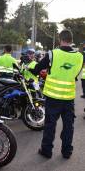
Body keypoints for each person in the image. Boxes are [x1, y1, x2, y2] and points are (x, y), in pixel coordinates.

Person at [29, 29, 83, 159]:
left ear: (60, 40)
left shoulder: (53, 54)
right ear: (71, 41)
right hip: (69, 98)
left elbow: (37, 69)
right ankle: (67, 151)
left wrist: (29, 68)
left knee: (50, 125)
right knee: (68, 126)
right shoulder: (80, 56)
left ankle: (47, 151)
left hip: (53, 98)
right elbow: (76, 74)